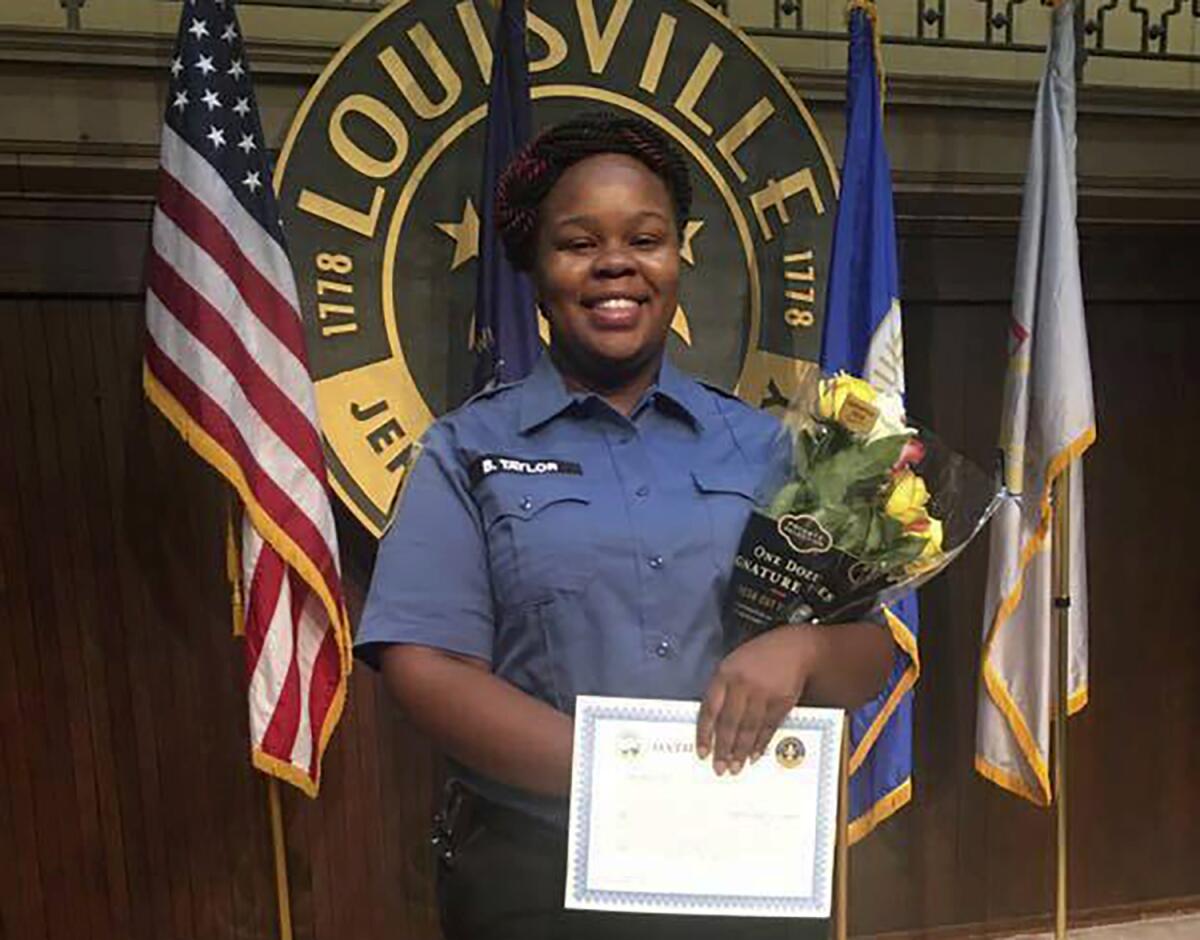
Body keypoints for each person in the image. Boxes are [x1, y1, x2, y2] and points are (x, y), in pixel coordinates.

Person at [355, 111, 894, 940]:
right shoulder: (467, 450)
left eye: (645, 238)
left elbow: (870, 656)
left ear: (677, 259)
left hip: (745, 861)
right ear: (535, 269)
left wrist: (806, 649)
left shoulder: (768, 447)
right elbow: (424, 666)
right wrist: (627, 777)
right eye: (578, 242)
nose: (616, 263)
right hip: (538, 872)